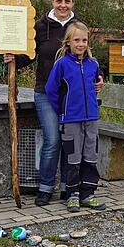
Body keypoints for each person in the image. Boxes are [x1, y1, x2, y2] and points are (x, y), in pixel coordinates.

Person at [3, 0, 103, 207]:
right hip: (46, 93)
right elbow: (29, 55)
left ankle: (71, 189)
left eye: (67, 1)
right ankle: (46, 187)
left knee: (72, 143)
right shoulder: (40, 27)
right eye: (59, 1)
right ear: (52, 2)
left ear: (72, 3)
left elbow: (88, 59)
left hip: (73, 99)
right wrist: (14, 60)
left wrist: (99, 77)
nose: (63, 5)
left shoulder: (78, 27)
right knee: (53, 140)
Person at [45, 22, 106, 213]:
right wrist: (62, 110)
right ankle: (72, 195)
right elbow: (51, 89)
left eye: (84, 40)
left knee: (90, 155)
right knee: (73, 157)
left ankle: (88, 194)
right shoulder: (62, 64)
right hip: (70, 120)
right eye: (77, 40)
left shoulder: (93, 64)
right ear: (68, 42)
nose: (81, 44)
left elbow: (96, 84)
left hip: (91, 119)